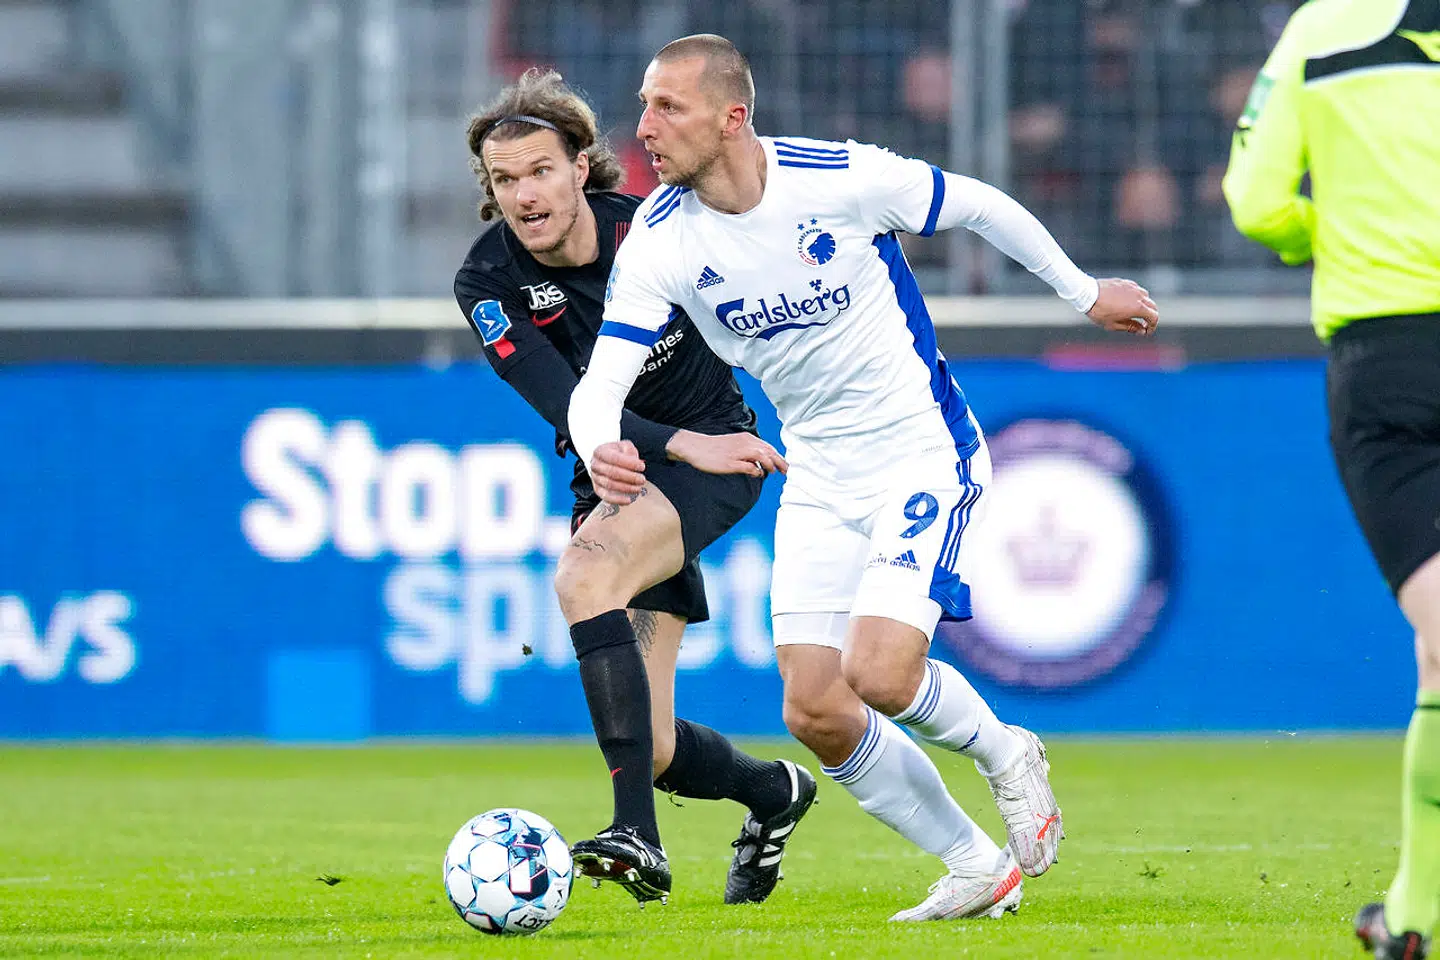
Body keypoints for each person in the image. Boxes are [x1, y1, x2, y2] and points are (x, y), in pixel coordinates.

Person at [568, 34, 1159, 921]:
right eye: (645, 105)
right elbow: (600, 386)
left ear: (733, 118)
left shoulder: (837, 178)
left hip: (923, 450)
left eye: (667, 107)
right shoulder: (659, 241)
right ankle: (973, 865)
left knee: (880, 672)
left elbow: (979, 205)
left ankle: (1005, 753)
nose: (643, 127)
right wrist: (599, 443)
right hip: (819, 474)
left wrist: (1082, 293)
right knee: (814, 707)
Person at [453, 68, 817, 908]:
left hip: (709, 467)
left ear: (583, 167)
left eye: (541, 171)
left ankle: (637, 839)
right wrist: (669, 441)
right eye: (505, 180)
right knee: (651, 745)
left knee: (584, 576)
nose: (524, 195)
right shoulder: (488, 283)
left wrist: (705, 440)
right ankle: (773, 794)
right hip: (619, 473)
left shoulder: (658, 233)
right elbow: (571, 404)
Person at [1223, 2, 1440, 957]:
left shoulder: (1328, 28)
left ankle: (1416, 916)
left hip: (1388, 360)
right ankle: (1413, 916)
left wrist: (1341, 229)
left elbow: (1257, 200)